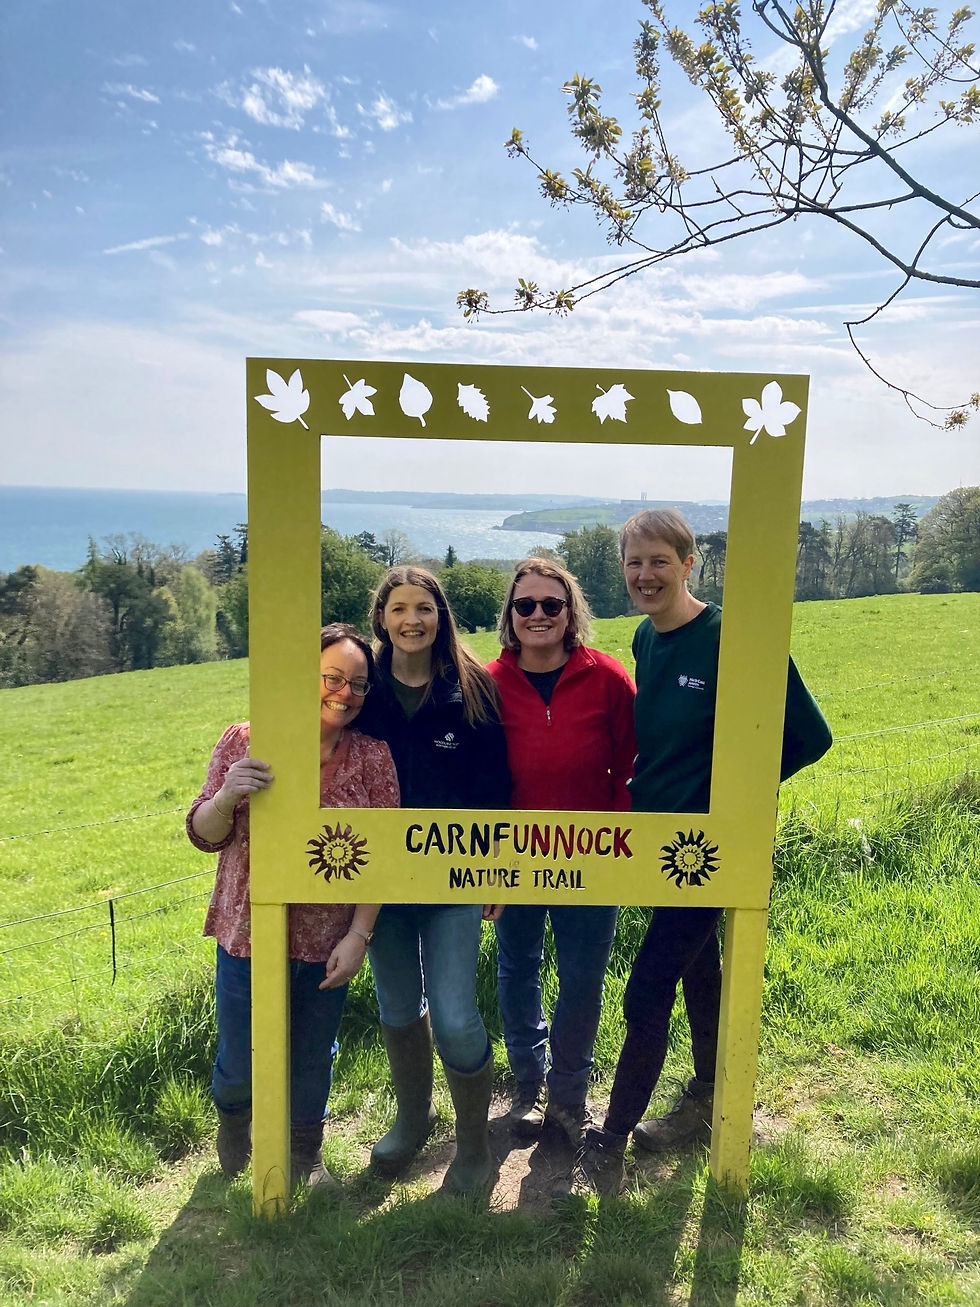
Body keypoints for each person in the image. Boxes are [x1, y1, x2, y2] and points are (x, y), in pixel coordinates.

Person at [575, 508, 832, 1194]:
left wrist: (735, 799)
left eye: (659, 560)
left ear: (690, 563)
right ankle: (710, 1099)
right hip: (660, 847)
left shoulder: (735, 637)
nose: (644, 574)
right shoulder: (644, 638)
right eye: (633, 562)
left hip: (711, 847)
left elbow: (810, 736)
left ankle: (611, 1137)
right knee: (698, 971)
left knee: (649, 983)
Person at [186, 623, 399, 1187]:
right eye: (332, 677)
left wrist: (359, 936)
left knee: (312, 1058)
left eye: (358, 684)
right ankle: (235, 1124)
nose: (344, 693)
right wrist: (229, 794)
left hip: (326, 940)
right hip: (248, 932)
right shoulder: (244, 741)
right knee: (238, 1062)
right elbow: (203, 832)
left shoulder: (373, 759)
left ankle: (305, 1158)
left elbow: (380, 860)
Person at [355, 565, 511, 1194]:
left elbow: (496, 789)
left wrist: (499, 872)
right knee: (396, 1007)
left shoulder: (470, 688)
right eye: (399, 609)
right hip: (378, 888)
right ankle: (413, 1120)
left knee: (452, 1014)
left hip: (455, 880)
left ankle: (474, 1144)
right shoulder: (362, 691)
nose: (411, 620)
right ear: (382, 619)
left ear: (440, 616)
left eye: (424, 608)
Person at [486, 558, 636, 1149]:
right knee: (517, 968)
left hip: (592, 856)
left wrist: (620, 844)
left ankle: (569, 1098)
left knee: (582, 977)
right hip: (513, 857)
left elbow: (630, 767)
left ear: (571, 611)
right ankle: (529, 1086)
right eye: (526, 606)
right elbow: (479, 780)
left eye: (553, 604)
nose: (539, 615)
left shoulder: (608, 678)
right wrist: (486, 866)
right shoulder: (487, 682)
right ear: (511, 616)